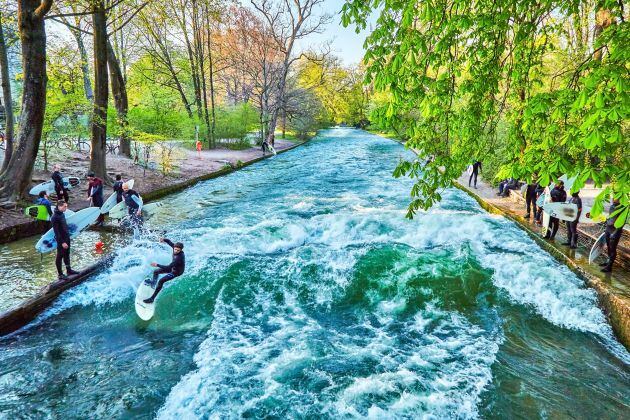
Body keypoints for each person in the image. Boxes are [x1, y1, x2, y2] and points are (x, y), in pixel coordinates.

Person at [144, 238, 185, 304]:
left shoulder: (178, 258)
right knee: (156, 271)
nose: (176, 251)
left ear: (181, 250)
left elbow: (168, 267)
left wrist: (157, 264)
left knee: (161, 281)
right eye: (175, 249)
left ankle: (152, 299)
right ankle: (153, 283)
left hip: (176, 272)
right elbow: (169, 241)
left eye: (178, 250)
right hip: (173, 268)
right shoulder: (175, 246)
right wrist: (163, 239)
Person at [51, 200, 79, 280]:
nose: (66, 208)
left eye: (66, 206)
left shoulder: (62, 214)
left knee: (67, 254)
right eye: (64, 206)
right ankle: (60, 274)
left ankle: (69, 270)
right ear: (59, 206)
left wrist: (69, 237)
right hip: (61, 240)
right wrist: (62, 242)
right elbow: (56, 232)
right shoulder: (54, 217)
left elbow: (64, 227)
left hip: (67, 238)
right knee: (59, 256)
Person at [601, 199, 625, 273]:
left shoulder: (623, 208)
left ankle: (609, 266)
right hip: (608, 228)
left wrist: (616, 232)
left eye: (616, 197)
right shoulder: (612, 206)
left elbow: (622, 221)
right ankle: (608, 261)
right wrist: (605, 221)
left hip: (615, 230)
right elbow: (611, 217)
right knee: (608, 246)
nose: (613, 198)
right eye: (613, 196)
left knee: (612, 248)